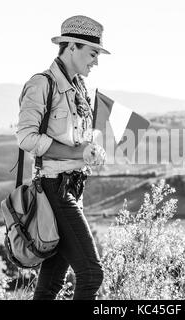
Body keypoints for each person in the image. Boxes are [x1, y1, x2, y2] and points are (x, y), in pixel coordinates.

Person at [16, 15, 110, 300]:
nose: (96, 61)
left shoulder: (81, 90)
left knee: (49, 285)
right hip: (53, 190)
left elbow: (77, 141)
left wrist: (92, 150)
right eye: (92, 53)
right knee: (92, 274)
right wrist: (76, 153)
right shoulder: (41, 84)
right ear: (71, 47)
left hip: (73, 188)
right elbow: (26, 138)